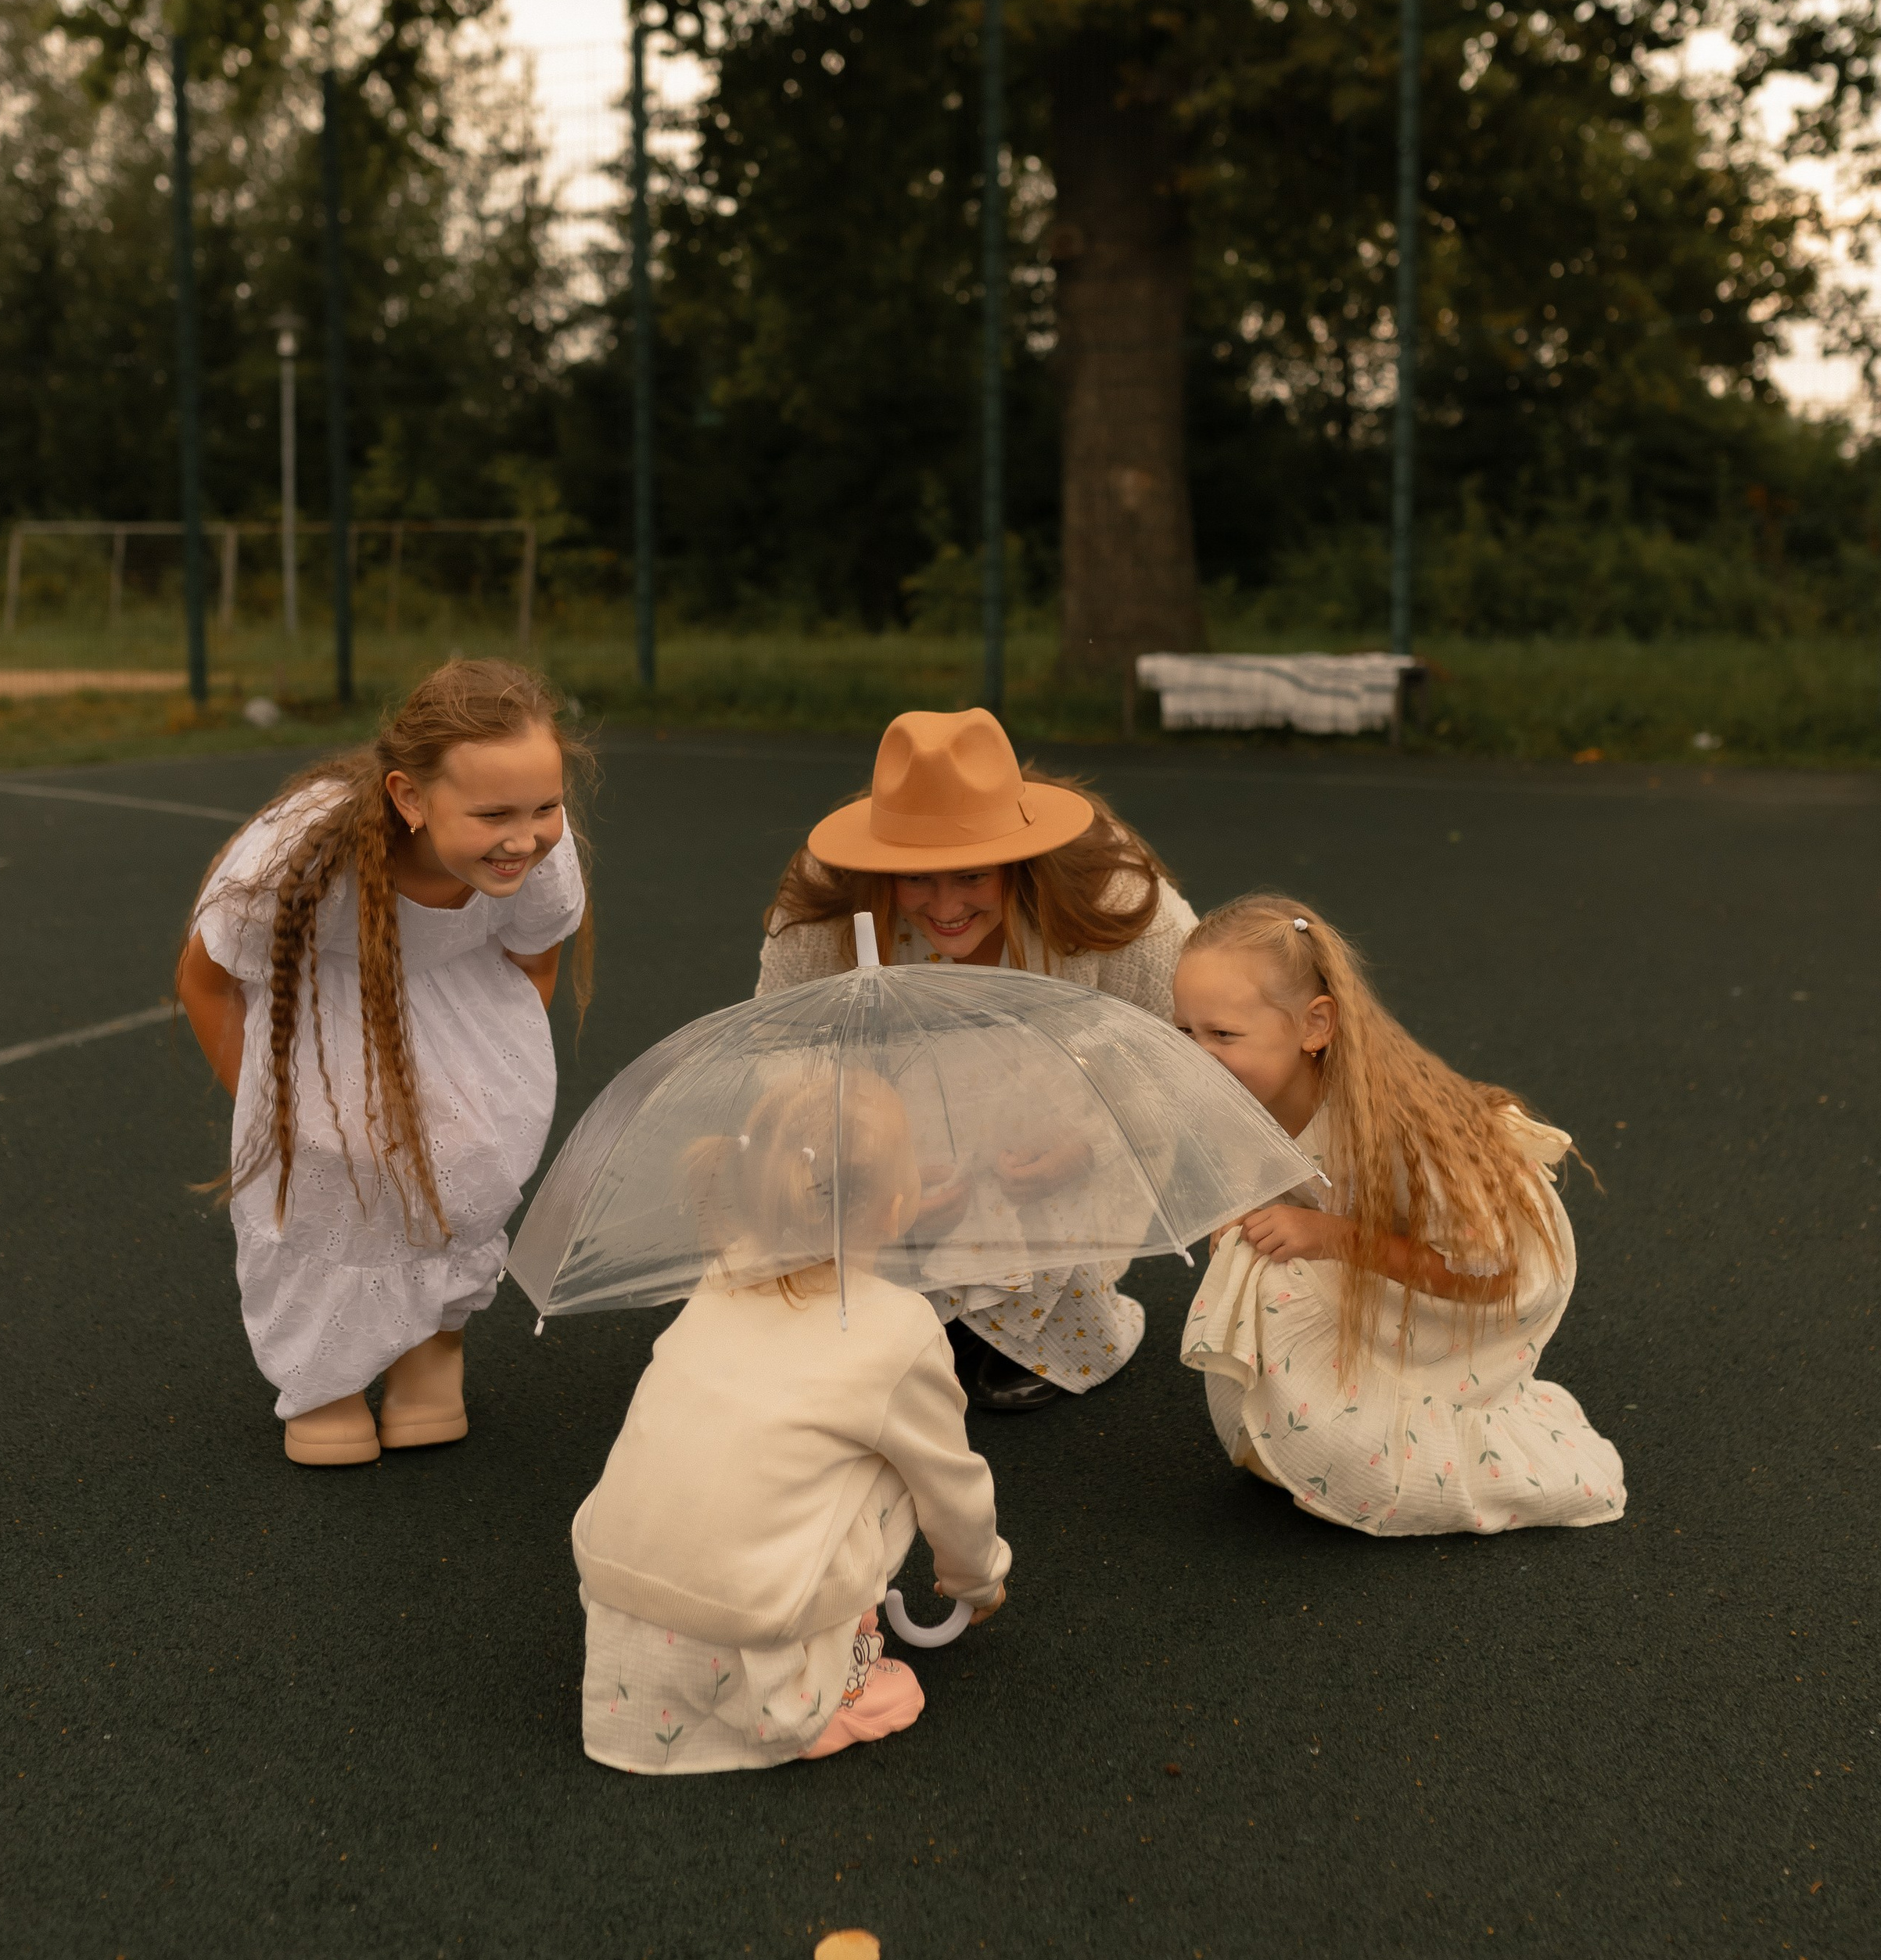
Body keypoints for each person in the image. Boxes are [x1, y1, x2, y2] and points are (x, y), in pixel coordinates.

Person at [175, 658, 590, 1466]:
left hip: (458, 1013)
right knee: (331, 1190)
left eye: (546, 807)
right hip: (327, 1026)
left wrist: (483, 1084)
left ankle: (431, 1354)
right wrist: (281, 1114)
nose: (525, 838)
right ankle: (323, 1384)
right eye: (493, 813)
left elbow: (535, 957)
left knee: (464, 1177)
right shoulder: (298, 859)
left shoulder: (535, 853)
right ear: (410, 797)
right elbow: (206, 981)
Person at [570, 1067, 1010, 1773]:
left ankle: (706, 1685)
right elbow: (953, 1485)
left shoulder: (722, 1271)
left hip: (616, 1589)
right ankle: (823, 1682)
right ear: (901, 1207)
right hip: (754, 1617)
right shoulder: (901, 1327)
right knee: (902, 1465)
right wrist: (977, 1579)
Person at [756, 708, 1196, 1412]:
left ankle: (1040, 1308)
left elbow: (1182, 1045)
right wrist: (869, 1173)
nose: (946, 908)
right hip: (901, 1136)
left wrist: (1089, 1143)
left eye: (971, 876)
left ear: (1018, 862)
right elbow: (783, 1056)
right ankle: (931, 1297)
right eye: (914, 879)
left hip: (1059, 1123)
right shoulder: (824, 899)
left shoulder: (1110, 895)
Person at [1172, 894, 1624, 1535]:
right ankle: (1313, 1434)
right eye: (1184, 1032)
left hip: (1483, 1269)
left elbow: (1489, 1277)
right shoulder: (1248, 1093)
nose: (1197, 1055)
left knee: (1283, 1277)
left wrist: (1334, 1237)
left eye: (1222, 1034)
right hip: (1387, 1237)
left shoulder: (1399, 1130)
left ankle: (1424, 1457)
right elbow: (1284, 1183)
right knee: (1259, 1263)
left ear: (1315, 1026)